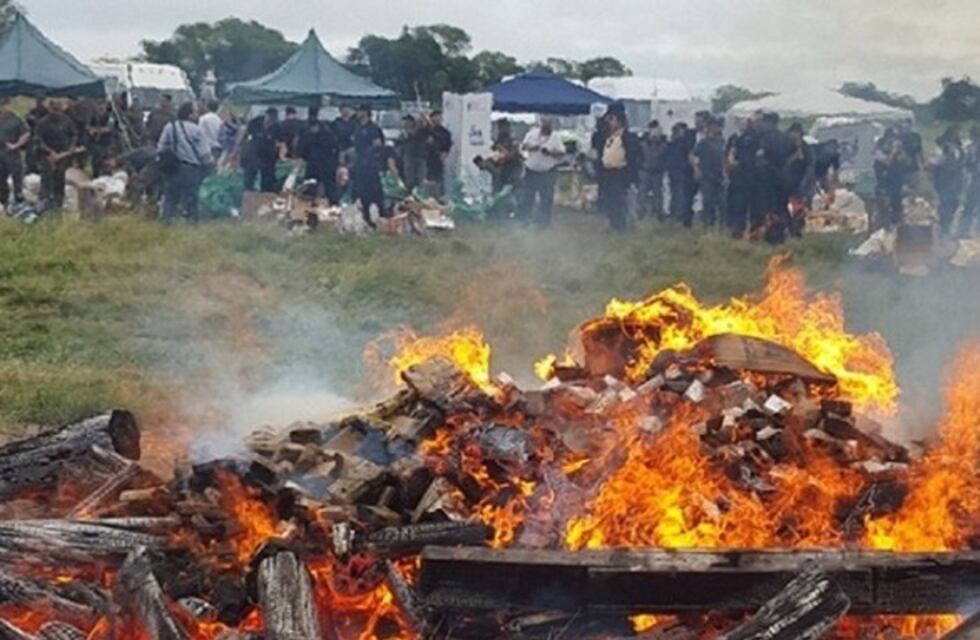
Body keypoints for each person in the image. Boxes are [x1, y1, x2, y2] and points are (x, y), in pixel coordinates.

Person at [157, 102, 214, 223]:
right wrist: (211, 166)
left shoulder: (169, 126)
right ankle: (190, 222)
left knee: (170, 198)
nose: (197, 114)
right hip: (191, 169)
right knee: (191, 198)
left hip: (172, 168)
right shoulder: (197, 130)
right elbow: (204, 153)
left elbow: (161, 147)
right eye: (195, 112)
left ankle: (166, 221)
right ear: (190, 115)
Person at [595, 106, 642, 231]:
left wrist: (630, 172)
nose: (610, 122)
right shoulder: (608, 136)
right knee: (610, 200)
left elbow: (634, 156)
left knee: (620, 201)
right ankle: (613, 224)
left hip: (621, 173)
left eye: (612, 119)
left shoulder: (628, 137)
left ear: (620, 121)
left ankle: (622, 226)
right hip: (608, 173)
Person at [754, 111, 794, 243]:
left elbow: (760, 156)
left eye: (764, 122)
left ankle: (772, 237)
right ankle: (784, 234)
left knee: (768, 208)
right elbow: (792, 157)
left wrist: (761, 167)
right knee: (782, 207)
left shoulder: (765, 138)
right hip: (784, 178)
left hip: (768, 179)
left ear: (769, 122)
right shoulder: (786, 138)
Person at [519, 117, 565, 227]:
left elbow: (561, 154)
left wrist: (549, 152)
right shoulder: (532, 133)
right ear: (541, 125)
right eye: (545, 124)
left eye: (549, 125)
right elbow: (523, 146)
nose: (547, 127)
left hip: (547, 172)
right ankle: (525, 220)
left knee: (546, 198)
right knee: (528, 197)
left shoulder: (555, 137)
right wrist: (532, 147)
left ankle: (543, 222)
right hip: (531, 171)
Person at [36, 100, 80, 209]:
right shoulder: (42, 122)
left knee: (60, 177)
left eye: (58, 110)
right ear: (50, 109)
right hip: (47, 154)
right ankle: (44, 200)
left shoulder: (67, 121)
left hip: (63, 154)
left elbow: (74, 135)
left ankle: (58, 202)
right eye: (54, 110)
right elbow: (38, 139)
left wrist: (70, 148)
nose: (56, 113)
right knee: (46, 177)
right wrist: (49, 152)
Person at [350, 104, 387, 222]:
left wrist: (367, 153)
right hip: (359, 164)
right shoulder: (358, 128)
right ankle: (365, 218)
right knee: (359, 192)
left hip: (370, 165)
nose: (357, 113)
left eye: (359, 111)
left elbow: (378, 144)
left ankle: (381, 217)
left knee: (374, 193)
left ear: (365, 112)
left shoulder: (373, 128)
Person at [726, 116, 759, 238]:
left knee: (752, 206)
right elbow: (730, 152)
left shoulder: (754, 138)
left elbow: (750, 157)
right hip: (737, 178)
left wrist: (739, 163)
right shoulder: (736, 138)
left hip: (750, 177)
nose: (741, 124)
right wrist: (730, 161)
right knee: (738, 205)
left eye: (743, 121)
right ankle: (737, 230)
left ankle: (754, 232)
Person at [296, 115, 340, 203]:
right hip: (313, 166)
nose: (312, 129)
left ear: (317, 126)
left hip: (326, 167)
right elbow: (303, 150)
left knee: (329, 189)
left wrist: (334, 163)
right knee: (309, 188)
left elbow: (336, 149)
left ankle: (333, 205)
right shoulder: (307, 135)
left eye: (313, 127)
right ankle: (308, 204)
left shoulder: (328, 135)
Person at [782, 122, 815, 238]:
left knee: (799, 210)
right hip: (786, 184)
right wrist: (793, 158)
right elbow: (783, 164)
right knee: (786, 210)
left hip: (800, 185)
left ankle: (797, 231)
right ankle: (789, 230)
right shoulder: (786, 147)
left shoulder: (806, 148)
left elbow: (810, 166)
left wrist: (805, 183)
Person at [692, 116, 725, 228]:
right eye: (716, 126)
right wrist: (696, 169)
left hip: (719, 176)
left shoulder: (721, 141)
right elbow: (694, 156)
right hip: (707, 176)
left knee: (722, 202)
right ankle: (707, 224)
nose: (718, 129)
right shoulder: (703, 142)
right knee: (708, 201)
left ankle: (721, 224)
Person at [932, 126, 965, 236]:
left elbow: (961, 162)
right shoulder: (942, 151)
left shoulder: (958, 148)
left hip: (955, 183)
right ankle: (943, 229)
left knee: (954, 205)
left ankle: (947, 227)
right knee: (945, 206)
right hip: (944, 183)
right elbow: (937, 165)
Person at [0, 100, 30, 208]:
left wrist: (17, 145)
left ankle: (18, 199)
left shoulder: (17, 120)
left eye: (5, 105)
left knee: (17, 177)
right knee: (1, 179)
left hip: (12, 152)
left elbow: (26, 134)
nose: (3, 108)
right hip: (1, 152)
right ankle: (4, 201)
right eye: (2, 105)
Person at [665, 122, 695, 226]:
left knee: (681, 194)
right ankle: (674, 214)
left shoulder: (686, 143)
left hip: (682, 172)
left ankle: (680, 217)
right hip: (674, 171)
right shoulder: (672, 143)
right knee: (675, 194)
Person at [240, 114, 279, 193]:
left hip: (252, 172)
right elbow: (271, 156)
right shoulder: (265, 140)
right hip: (263, 174)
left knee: (249, 184)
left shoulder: (249, 141)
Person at [639, 120, 668, 220]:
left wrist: (659, 141)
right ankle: (641, 212)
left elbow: (665, 154)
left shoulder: (663, 141)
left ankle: (659, 213)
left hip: (658, 171)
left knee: (658, 194)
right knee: (642, 192)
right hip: (645, 170)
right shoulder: (643, 140)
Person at [395, 115, 428, 192]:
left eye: (408, 122)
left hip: (421, 157)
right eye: (405, 122)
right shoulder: (403, 134)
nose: (406, 124)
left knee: (420, 179)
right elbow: (398, 146)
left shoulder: (421, 132)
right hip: (408, 157)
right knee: (410, 179)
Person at [960, 125, 980, 238]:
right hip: (973, 180)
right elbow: (965, 165)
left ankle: (977, 229)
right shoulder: (969, 148)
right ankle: (963, 229)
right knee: (970, 205)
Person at [426, 110, 453, 195]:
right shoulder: (425, 130)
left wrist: (444, 155)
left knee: (437, 182)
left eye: (439, 117)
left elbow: (447, 146)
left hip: (437, 161)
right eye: (435, 117)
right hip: (425, 161)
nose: (437, 119)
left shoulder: (445, 132)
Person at [87, 100, 116, 177]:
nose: (100, 106)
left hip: (107, 143)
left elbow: (109, 128)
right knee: (95, 163)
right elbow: (88, 126)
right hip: (96, 143)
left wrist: (96, 130)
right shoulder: (93, 116)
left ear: (106, 105)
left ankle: (108, 178)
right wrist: (90, 129)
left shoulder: (110, 116)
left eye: (102, 104)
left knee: (107, 163)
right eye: (98, 104)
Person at [25, 97, 49, 174]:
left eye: (40, 101)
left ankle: (39, 167)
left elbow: (47, 123)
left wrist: (36, 120)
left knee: (40, 152)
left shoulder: (46, 111)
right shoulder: (33, 110)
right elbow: (27, 121)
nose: (38, 103)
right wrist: (28, 118)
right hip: (33, 134)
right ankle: (30, 167)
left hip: (42, 135)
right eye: (37, 101)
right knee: (30, 152)